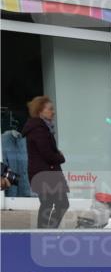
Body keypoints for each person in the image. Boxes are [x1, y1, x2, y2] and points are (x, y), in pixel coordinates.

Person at [23, 95, 69, 229]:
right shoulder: (39, 129)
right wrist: (60, 157)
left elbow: (46, 152)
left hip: (45, 173)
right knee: (54, 204)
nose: (53, 111)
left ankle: (45, 232)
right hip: (44, 174)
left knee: (50, 204)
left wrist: (55, 155)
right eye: (50, 109)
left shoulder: (43, 128)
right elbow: (47, 154)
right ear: (40, 111)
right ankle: (45, 232)